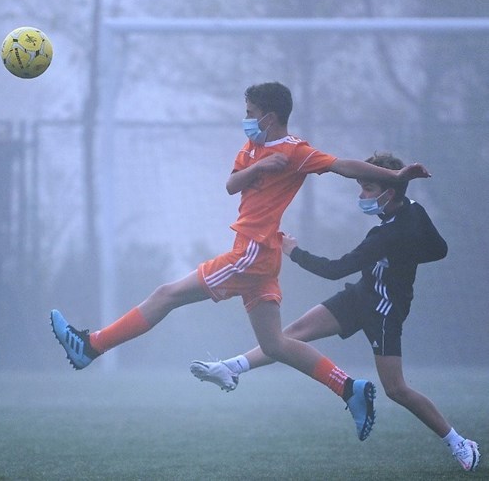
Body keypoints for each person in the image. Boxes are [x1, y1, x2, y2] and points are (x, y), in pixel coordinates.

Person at [51, 82, 430, 441]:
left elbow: (343, 166)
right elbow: (232, 185)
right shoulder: (251, 148)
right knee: (276, 344)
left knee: (167, 294)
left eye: (251, 113)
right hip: (258, 260)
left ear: (271, 116)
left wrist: (394, 174)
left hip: (251, 253)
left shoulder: (297, 151)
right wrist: (259, 168)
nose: (246, 119)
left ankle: (92, 346)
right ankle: (349, 389)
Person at [190, 152, 480, 471]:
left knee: (396, 389)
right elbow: (439, 250)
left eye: (367, 188)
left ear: (390, 192)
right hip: (360, 295)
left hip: (385, 310)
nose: (361, 195)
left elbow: (335, 270)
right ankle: (231, 368)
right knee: (289, 337)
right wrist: (404, 257)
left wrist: (294, 251)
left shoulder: (385, 236)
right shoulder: (413, 212)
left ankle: (460, 443)